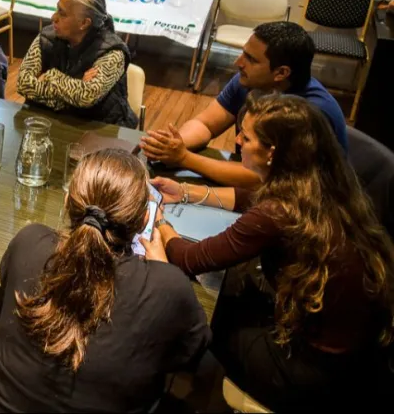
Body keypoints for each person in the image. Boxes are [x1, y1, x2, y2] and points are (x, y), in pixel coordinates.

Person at [141, 94, 394, 411]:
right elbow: (251, 197)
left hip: (309, 370)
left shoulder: (278, 211)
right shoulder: (322, 184)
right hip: (356, 355)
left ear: (272, 151)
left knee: (197, 312)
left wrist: (158, 219)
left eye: (246, 137)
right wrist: (186, 192)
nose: (237, 140)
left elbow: (189, 259)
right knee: (230, 286)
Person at [0, 149, 210, 413]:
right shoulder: (167, 288)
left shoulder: (30, 241)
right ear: (143, 220)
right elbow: (192, 350)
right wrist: (162, 271)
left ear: (67, 201)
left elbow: (5, 286)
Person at [140, 21, 348, 187]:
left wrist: (184, 158)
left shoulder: (310, 112)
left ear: (281, 72)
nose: (238, 62)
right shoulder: (249, 81)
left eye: (251, 59)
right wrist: (172, 145)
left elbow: (262, 178)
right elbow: (206, 124)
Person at [16, 0, 138, 128]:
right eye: (57, 9)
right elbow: (23, 84)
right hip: (50, 121)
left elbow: (86, 96)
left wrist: (50, 76)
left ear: (84, 23)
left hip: (98, 129)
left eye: (62, 14)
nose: (53, 17)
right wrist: (75, 88)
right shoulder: (47, 37)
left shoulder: (113, 52)